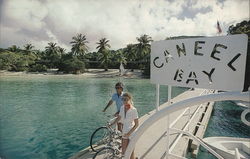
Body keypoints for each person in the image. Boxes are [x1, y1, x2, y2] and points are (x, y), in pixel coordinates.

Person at [109, 93, 139, 159]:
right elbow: (119, 117)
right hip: (125, 131)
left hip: (132, 132)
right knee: (123, 152)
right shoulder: (122, 108)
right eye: (123, 99)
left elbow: (137, 124)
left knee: (131, 151)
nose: (124, 101)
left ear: (130, 100)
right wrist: (112, 124)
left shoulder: (134, 110)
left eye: (126, 99)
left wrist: (129, 133)